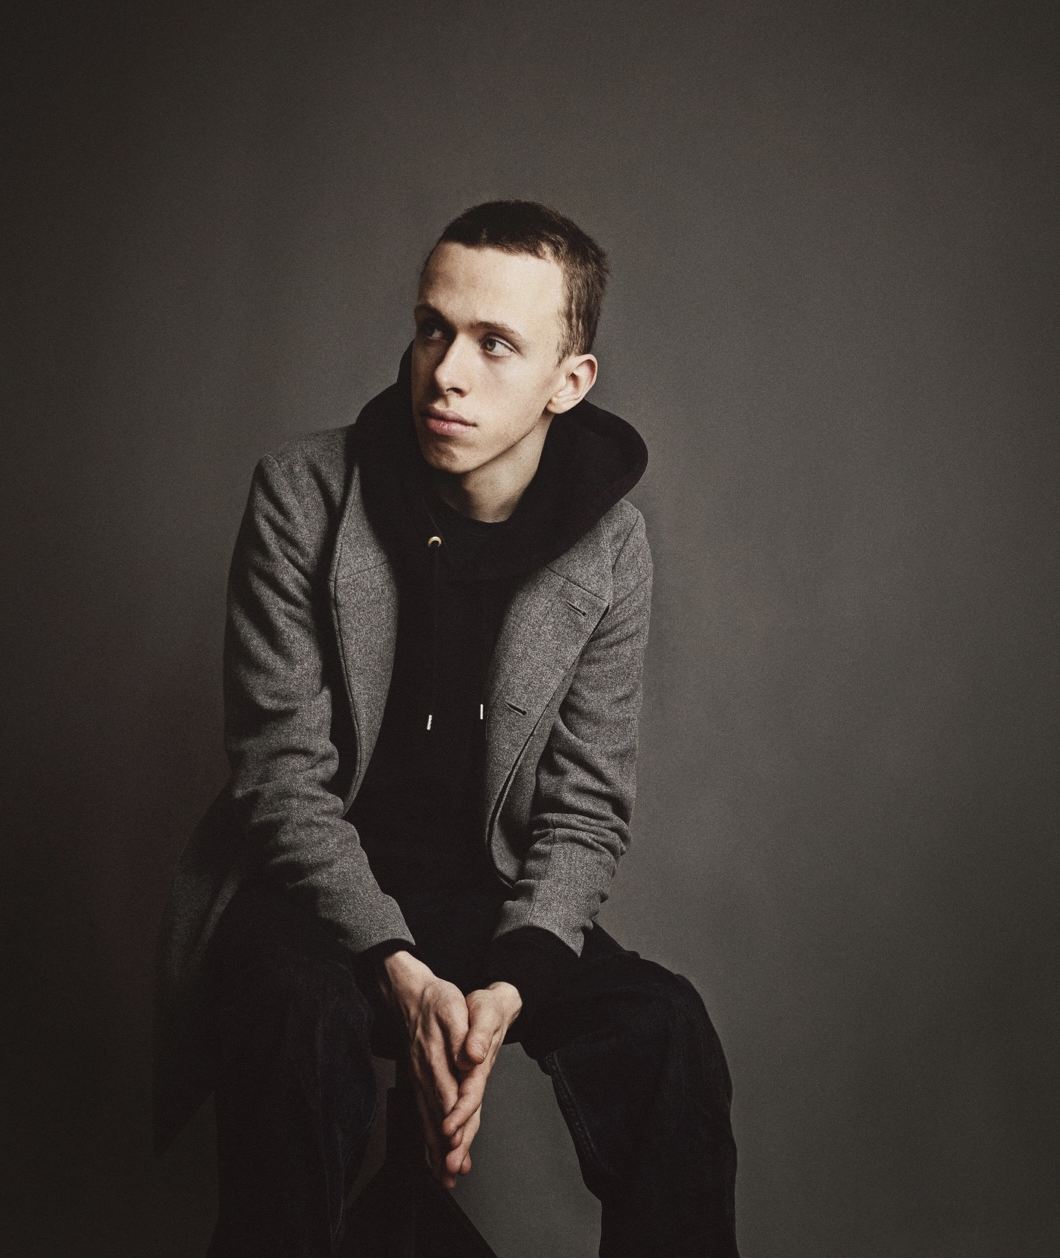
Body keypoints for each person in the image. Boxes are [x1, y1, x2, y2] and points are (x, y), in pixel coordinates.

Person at [151, 200, 738, 1256]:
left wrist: (506, 990)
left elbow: (585, 812)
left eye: (494, 343)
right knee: (300, 1027)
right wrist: (402, 972)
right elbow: (281, 781)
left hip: (484, 897)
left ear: (569, 382)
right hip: (306, 898)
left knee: (665, 1030)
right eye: (433, 328)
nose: (446, 373)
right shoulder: (302, 493)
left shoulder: (611, 547)